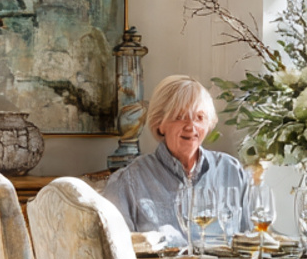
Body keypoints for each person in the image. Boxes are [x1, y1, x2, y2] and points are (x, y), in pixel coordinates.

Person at [103, 74, 250, 248]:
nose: (191, 126)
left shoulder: (231, 171)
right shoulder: (127, 183)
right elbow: (115, 254)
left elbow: (253, 242)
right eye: (180, 116)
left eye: (199, 117)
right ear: (160, 123)